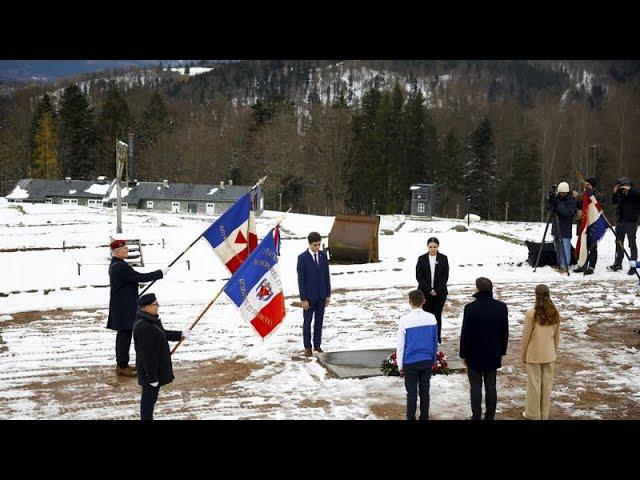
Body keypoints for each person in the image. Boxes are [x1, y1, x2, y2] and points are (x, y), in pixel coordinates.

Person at [107, 239, 168, 377]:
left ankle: (122, 364)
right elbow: (139, 277)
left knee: (124, 335)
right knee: (124, 336)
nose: (127, 250)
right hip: (124, 307)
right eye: (125, 249)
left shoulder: (118, 264)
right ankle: (122, 366)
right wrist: (160, 273)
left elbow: (133, 279)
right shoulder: (119, 266)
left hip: (123, 305)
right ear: (118, 252)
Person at [133, 293, 190, 421]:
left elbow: (161, 333)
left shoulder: (150, 320)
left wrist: (180, 334)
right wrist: (152, 377)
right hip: (150, 373)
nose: (158, 306)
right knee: (148, 401)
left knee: (150, 400)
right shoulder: (144, 326)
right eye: (155, 304)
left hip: (153, 371)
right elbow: (147, 356)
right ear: (147, 307)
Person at [459, 277, 509, 420]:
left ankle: (476, 416)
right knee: (491, 386)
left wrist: (463, 354)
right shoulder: (501, 307)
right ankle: (490, 416)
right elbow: (504, 331)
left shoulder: (470, 308)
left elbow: (466, 333)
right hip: (493, 352)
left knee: (475, 387)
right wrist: (502, 351)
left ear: (478, 289)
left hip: (474, 353)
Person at [396, 290, 439, 420]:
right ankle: (424, 417)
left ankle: (411, 417)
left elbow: (401, 345)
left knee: (412, 394)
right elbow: (434, 341)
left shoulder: (404, 320)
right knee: (425, 392)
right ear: (424, 301)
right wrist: (433, 360)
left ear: (409, 302)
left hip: (410, 362)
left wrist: (400, 365)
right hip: (426, 360)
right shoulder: (431, 318)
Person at [521, 284, 561, 420]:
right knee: (547, 386)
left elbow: (526, 337)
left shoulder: (531, 313)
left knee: (534, 385)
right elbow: (557, 336)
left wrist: (523, 355)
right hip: (549, 354)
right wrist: (554, 352)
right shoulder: (555, 312)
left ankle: (533, 413)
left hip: (534, 354)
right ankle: (544, 414)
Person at [297, 231, 331, 357]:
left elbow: (326, 276)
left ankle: (317, 345)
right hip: (309, 298)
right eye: (315, 245)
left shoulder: (322, 256)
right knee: (307, 322)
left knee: (319, 322)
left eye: (319, 244)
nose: (317, 247)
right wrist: (303, 299)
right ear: (310, 244)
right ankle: (307, 347)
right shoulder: (302, 258)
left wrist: (328, 295)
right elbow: (301, 280)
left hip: (321, 296)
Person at [416, 237, 449, 344]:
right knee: (426, 314)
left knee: (436, 314)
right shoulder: (421, 259)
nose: (433, 249)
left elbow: (445, 276)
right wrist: (429, 290)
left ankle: (437, 337)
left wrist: (437, 290)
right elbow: (419, 277)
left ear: (438, 247)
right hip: (425, 293)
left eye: (435, 247)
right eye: (430, 247)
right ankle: (426, 337)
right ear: (427, 247)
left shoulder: (443, 258)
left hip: (440, 293)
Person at [608, 177, 640, 275]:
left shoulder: (634, 193)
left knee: (632, 244)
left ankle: (633, 265)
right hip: (621, 221)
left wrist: (629, 189)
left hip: (631, 222)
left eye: (623, 185)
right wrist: (615, 192)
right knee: (619, 242)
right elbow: (614, 202)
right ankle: (618, 263)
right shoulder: (621, 194)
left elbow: (638, 194)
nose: (622, 188)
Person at [573, 177, 604, 274]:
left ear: (593, 186)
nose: (586, 186)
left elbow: (599, 208)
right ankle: (582, 264)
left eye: (588, 184)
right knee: (583, 245)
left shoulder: (599, 196)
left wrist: (591, 197)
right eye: (585, 184)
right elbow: (577, 205)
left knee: (593, 246)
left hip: (594, 224)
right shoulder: (582, 195)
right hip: (584, 223)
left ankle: (591, 267)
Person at [547, 182, 576, 274]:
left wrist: (557, 204)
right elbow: (550, 208)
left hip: (565, 228)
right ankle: (559, 264)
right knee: (558, 247)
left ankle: (565, 265)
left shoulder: (571, 200)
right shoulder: (557, 199)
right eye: (560, 192)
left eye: (564, 192)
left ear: (567, 192)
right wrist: (551, 201)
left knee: (565, 247)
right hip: (556, 226)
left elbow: (568, 212)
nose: (562, 194)